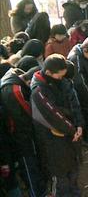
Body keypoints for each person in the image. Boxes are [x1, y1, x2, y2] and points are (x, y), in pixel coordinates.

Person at [30, 55, 83, 196]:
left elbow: (74, 103)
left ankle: (74, 192)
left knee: (73, 168)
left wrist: (79, 124)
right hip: (52, 140)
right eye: (59, 76)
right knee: (59, 176)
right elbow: (54, 115)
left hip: (70, 135)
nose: (62, 79)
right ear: (48, 73)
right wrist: (73, 130)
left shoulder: (63, 82)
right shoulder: (38, 91)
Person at [0, 64, 47, 196]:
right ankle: (37, 193)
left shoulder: (14, 76)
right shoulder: (15, 91)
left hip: (18, 132)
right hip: (20, 136)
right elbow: (29, 114)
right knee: (29, 165)